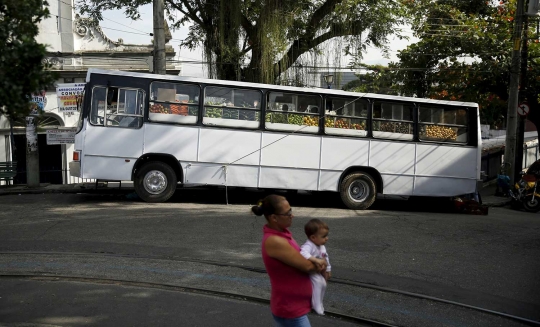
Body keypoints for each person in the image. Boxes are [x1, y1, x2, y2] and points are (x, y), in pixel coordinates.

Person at [252, 195, 327, 327]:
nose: (292, 215)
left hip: (292, 307)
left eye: (290, 210)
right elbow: (307, 266)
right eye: (288, 213)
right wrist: (323, 264)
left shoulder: (283, 234)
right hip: (290, 309)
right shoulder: (275, 240)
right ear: (274, 218)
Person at [300, 219, 331, 315]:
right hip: (310, 271)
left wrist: (328, 269)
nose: (327, 238)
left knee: (323, 284)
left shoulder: (321, 245)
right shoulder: (309, 245)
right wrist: (316, 260)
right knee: (318, 283)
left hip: (317, 271)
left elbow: (326, 257)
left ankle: (319, 303)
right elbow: (302, 253)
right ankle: (316, 306)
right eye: (324, 236)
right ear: (313, 237)